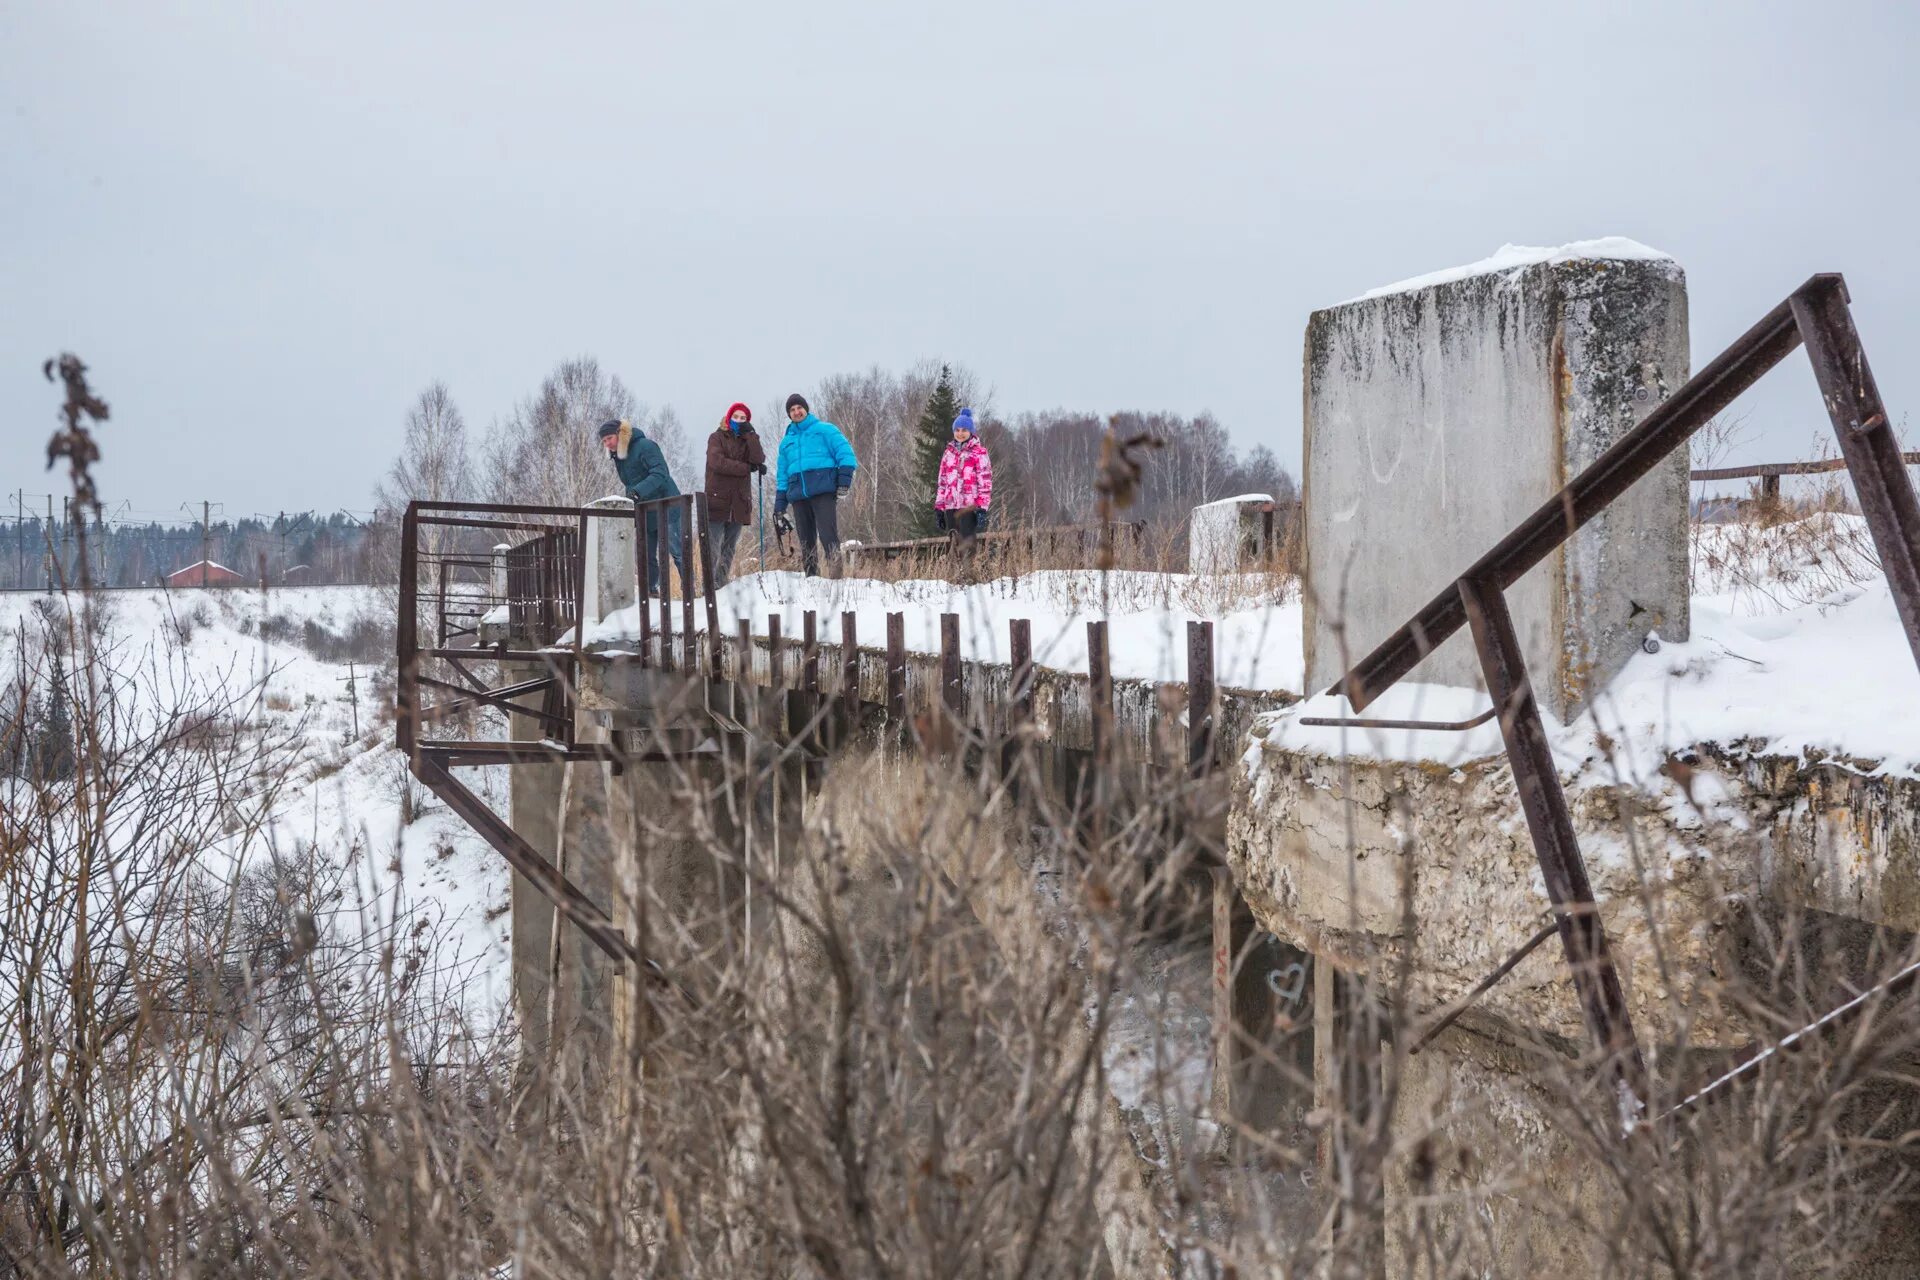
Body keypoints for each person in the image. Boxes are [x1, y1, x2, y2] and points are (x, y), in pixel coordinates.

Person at [773, 393, 857, 576]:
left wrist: (844, 481)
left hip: (823, 491)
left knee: (828, 535)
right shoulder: (786, 442)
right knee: (805, 540)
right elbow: (782, 475)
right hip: (798, 495)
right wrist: (780, 505)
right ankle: (812, 578)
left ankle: (836, 578)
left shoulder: (825, 429)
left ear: (806, 409)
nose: (796, 412)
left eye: (799, 408)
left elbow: (846, 453)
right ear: (789, 415)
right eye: (792, 410)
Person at [597, 418, 685, 594]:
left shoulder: (645, 446)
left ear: (619, 434)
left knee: (677, 550)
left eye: (609, 439)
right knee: (646, 554)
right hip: (645, 510)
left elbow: (661, 473)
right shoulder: (619, 456)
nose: (607, 444)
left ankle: (690, 588)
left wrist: (638, 492)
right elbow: (630, 483)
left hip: (666, 504)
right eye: (604, 441)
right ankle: (652, 591)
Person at [703, 402, 766, 585]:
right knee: (712, 547)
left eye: (743, 418)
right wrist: (746, 468)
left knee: (729, 547)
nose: (739, 421)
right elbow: (717, 462)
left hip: (739, 503)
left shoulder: (747, 440)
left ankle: (721, 583)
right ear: (729, 418)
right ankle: (708, 585)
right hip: (717, 500)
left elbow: (758, 459)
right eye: (736, 417)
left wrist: (752, 436)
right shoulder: (716, 437)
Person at [934, 407, 994, 547]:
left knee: (967, 547)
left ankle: (969, 569)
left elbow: (985, 483)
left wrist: (982, 508)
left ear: (970, 432)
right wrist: (939, 508)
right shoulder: (948, 453)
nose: (960, 434)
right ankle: (955, 569)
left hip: (969, 508)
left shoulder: (979, 453)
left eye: (964, 430)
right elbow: (942, 483)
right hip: (951, 507)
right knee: (953, 546)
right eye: (957, 430)